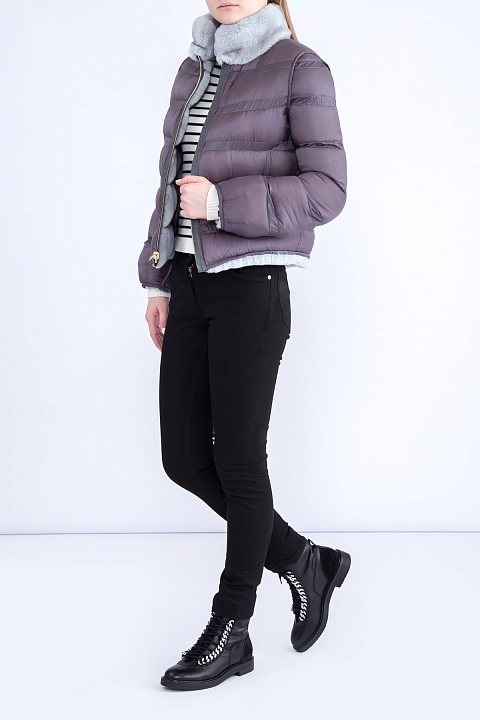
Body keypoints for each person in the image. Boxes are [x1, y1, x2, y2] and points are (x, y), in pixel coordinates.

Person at [138, 0, 350, 691]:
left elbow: (327, 190)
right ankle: (304, 560)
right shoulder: (194, 67)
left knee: (237, 460)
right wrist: (158, 277)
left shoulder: (299, 66)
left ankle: (232, 627)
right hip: (190, 282)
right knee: (182, 457)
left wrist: (224, 204)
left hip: (252, 286)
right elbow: (170, 183)